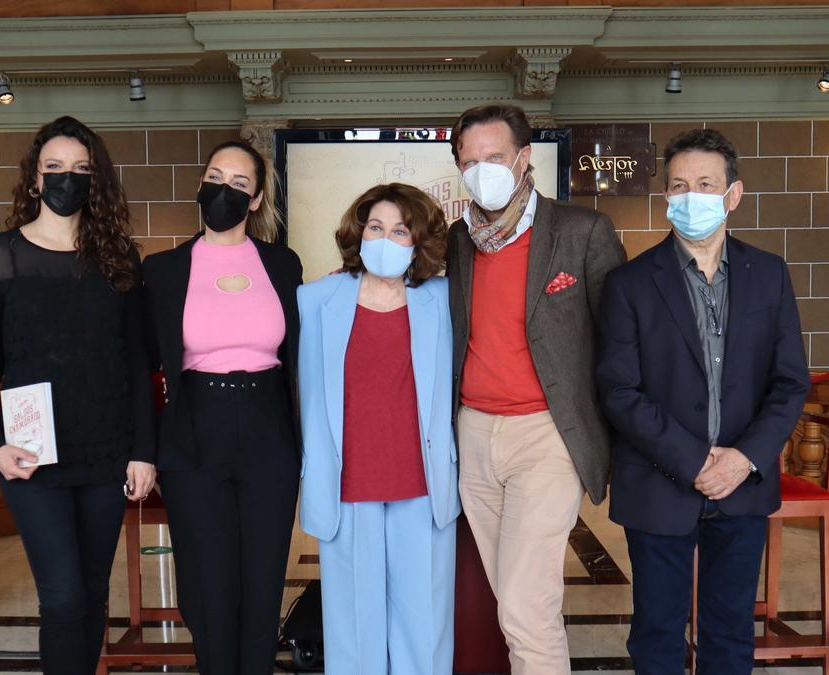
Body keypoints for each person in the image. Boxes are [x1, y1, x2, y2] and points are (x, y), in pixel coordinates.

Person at [596, 128, 810, 673]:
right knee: (657, 636)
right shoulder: (629, 284)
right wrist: (694, 462)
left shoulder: (770, 275)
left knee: (731, 633)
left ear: (732, 194)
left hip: (743, 486)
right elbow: (619, 390)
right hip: (659, 486)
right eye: (679, 185)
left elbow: (790, 383)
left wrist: (742, 459)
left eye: (705, 184)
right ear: (667, 196)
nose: (691, 195)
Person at [0, 116, 156, 675]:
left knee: (93, 596)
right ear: (33, 179)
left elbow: (137, 361)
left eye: (80, 170)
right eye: (54, 169)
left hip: (105, 449)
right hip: (32, 453)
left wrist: (143, 450)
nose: (65, 180)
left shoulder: (120, 258)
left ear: (96, 181)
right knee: (64, 596)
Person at [445, 103, 626, 674]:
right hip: (473, 435)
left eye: (494, 157)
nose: (482, 170)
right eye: (469, 161)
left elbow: (618, 339)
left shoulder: (581, 231)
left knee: (526, 604)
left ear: (524, 158)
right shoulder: (456, 241)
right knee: (513, 598)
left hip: (547, 434)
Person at [142, 140, 302, 675]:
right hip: (195, 429)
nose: (223, 190)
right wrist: (143, 449)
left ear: (255, 199)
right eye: (216, 176)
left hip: (268, 428)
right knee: (207, 582)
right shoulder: (163, 270)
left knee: (262, 578)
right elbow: (142, 367)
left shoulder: (282, 264)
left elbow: (300, 356)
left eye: (239, 183)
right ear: (200, 183)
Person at [298, 183, 461, 674]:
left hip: (422, 483)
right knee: (353, 632)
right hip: (348, 487)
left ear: (419, 242)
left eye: (399, 231)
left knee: (424, 630)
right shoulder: (315, 299)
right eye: (375, 227)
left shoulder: (445, 300)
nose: (385, 240)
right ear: (358, 232)